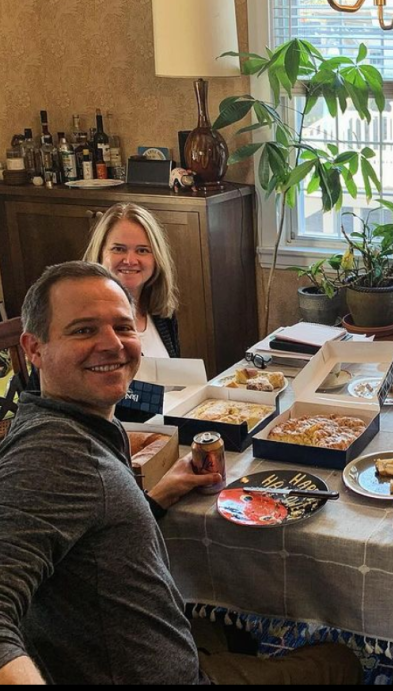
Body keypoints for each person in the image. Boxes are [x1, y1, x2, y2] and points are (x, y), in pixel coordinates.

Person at [0, 262, 361, 685]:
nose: (112, 344)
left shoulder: (76, 424)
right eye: (83, 330)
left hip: (142, 641)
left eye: (122, 326)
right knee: (341, 662)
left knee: (231, 625)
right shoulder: (49, 456)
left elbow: (93, 537)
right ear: (34, 348)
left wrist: (159, 495)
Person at [83, 202, 181, 358]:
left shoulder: (163, 317)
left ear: (157, 258)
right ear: (100, 253)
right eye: (119, 249)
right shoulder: (82, 318)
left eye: (142, 250)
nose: (130, 260)